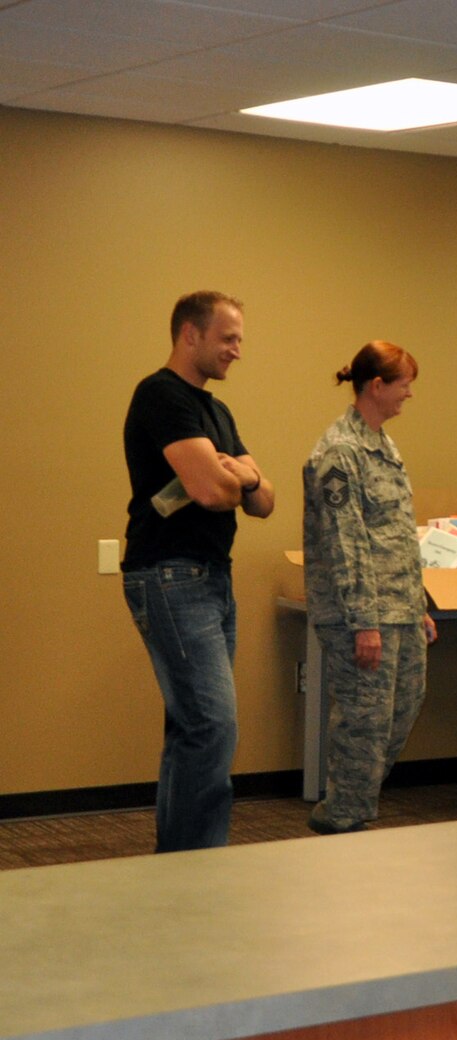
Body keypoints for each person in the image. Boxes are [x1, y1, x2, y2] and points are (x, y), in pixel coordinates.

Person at [120, 291, 276, 852]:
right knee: (212, 726)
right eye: (228, 338)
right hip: (168, 576)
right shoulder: (161, 395)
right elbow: (210, 489)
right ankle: (194, 868)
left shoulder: (217, 411)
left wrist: (247, 479)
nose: (237, 350)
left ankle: (178, 863)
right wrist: (238, 474)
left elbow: (264, 501)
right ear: (191, 334)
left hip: (212, 578)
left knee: (194, 726)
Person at [301, 341, 437, 834]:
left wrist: (417, 605)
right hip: (359, 615)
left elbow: (396, 536)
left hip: (399, 609)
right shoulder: (341, 452)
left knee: (401, 710)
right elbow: (347, 543)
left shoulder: (383, 444)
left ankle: (352, 805)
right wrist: (364, 623)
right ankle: (342, 818)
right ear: (376, 386)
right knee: (365, 720)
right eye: (405, 384)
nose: (410, 395)